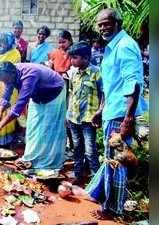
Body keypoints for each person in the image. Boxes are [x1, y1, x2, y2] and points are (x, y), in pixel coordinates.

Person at [85, 9, 148, 219]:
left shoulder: (125, 45)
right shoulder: (112, 47)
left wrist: (128, 118)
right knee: (111, 159)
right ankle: (101, 195)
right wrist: (100, 111)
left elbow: (133, 83)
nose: (103, 27)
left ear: (117, 23)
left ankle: (112, 209)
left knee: (116, 162)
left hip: (121, 114)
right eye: (100, 24)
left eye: (107, 23)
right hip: (112, 111)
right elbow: (111, 85)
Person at [0, 61, 66, 170]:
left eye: (7, 80)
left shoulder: (29, 75)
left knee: (48, 130)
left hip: (53, 92)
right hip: (37, 95)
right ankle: (30, 158)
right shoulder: (9, 75)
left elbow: (19, 106)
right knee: (33, 128)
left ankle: (47, 164)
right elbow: (7, 93)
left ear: (13, 74)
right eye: (4, 81)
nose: (7, 82)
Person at [66, 41, 102, 185]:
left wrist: (99, 112)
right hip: (74, 118)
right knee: (77, 148)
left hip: (89, 119)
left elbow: (103, 94)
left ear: (86, 57)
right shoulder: (73, 73)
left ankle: (95, 180)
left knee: (90, 150)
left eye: (75, 58)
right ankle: (78, 174)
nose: (72, 60)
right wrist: (67, 114)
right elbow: (71, 93)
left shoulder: (96, 72)